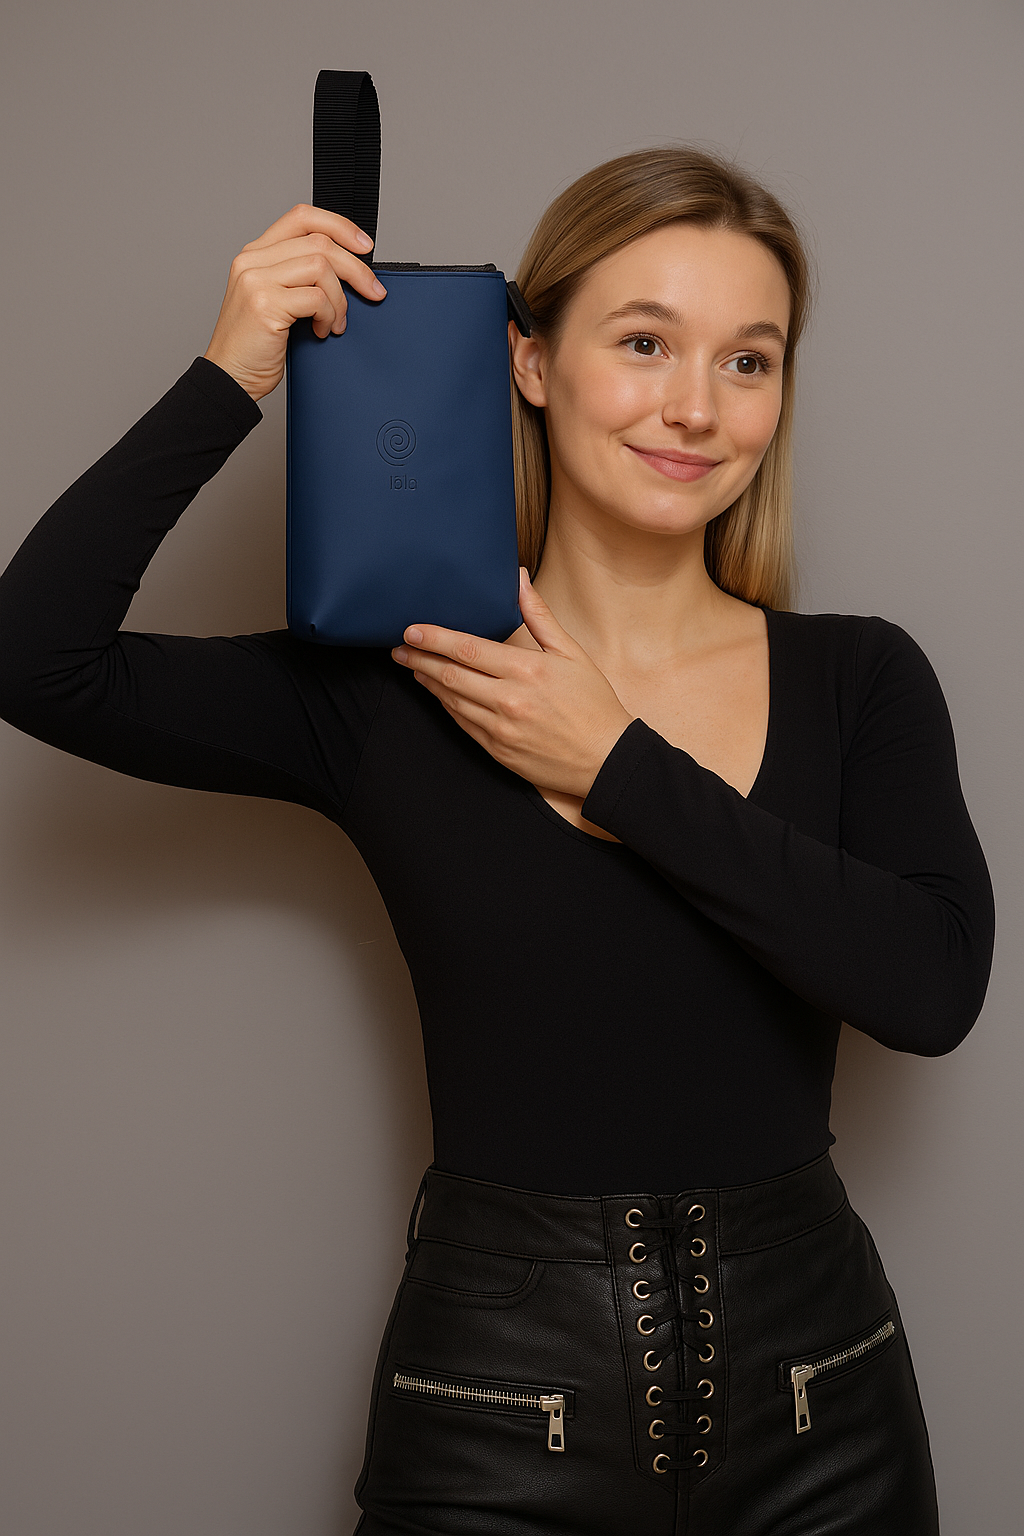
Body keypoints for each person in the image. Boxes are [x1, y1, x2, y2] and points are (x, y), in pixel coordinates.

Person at [0, 147, 994, 1535]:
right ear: (529, 361)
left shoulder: (861, 678)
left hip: (824, 1409)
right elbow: (37, 658)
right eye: (644, 343)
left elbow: (932, 989)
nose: (696, 407)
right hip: (495, 1409)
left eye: (748, 361)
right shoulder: (390, 687)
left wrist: (616, 766)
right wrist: (234, 370)